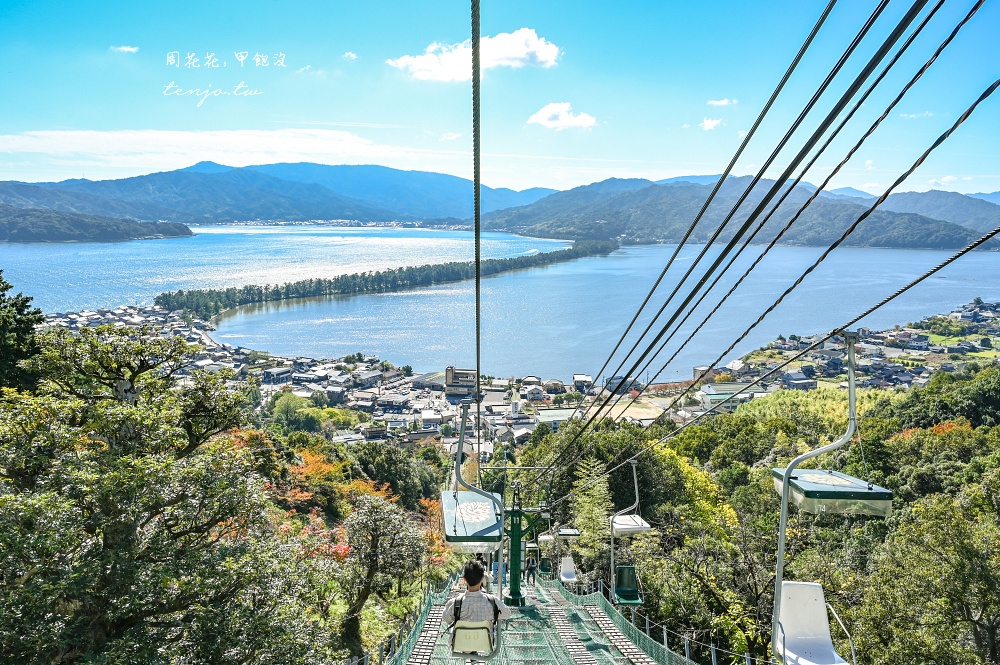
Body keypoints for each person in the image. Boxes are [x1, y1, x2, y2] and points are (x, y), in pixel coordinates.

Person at [441, 560, 511, 652]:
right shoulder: (492, 601)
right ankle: (473, 653)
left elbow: (446, 617)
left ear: (465, 579)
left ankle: (470, 652)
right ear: (482, 578)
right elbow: (507, 614)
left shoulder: (455, 602)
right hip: (485, 643)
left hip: (460, 643)